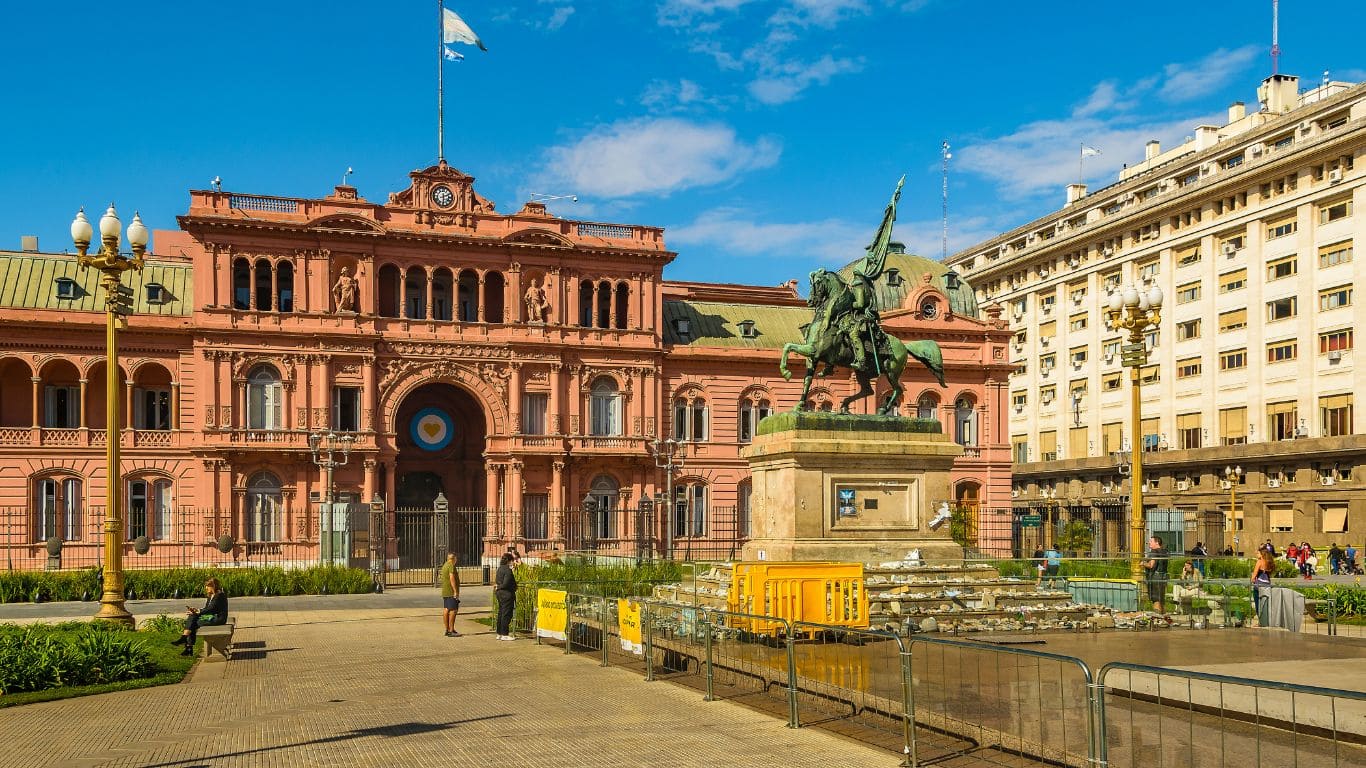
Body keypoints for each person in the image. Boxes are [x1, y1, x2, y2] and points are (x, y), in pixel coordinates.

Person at [171, 577, 228, 656]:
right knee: (193, 617)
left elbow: (212, 609)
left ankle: (187, 644)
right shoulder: (211, 595)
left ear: (213, 586)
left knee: (193, 622)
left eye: (208, 586)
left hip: (218, 618)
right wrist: (197, 610)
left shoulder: (219, 595)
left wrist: (199, 612)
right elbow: (207, 608)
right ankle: (187, 644)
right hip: (211, 617)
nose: (206, 588)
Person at [494, 551, 519, 641]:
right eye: (512, 560)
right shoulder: (508, 570)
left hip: (500, 594)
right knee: (506, 614)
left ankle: (499, 633)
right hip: (506, 594)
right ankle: (505, 634)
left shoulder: (500, 568)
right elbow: (506, 583)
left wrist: (498, 587)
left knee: (501, 613)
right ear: (509, 561)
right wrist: (499, 587)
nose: (513, 562)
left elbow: (498, 580)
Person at [1143, 535, 1169, 614]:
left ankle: (1157, 618)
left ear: (1157, 542)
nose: (1148, 543)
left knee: (1156, 599)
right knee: (1161, 599)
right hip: (1163, 577)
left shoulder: (1154, 551)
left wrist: (1143, 563)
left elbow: (1151, 565)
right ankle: (1164, 618)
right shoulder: (1165, 551)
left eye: (1151, 541)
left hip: (1155, 578)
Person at [1251, 548, 1275, 623]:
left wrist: (1252, 580)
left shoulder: (1259, 562)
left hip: (1258, 585)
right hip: (1267, 584)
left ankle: (1260, 622)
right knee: (1265, 604)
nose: (1256, 554)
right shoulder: (1269, 562)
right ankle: (1267, 621)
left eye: (1258, 553)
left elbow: (1254, 575)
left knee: (1258, 604)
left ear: (1262, 554)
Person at [439, 552, 461, 637]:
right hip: (451, 591)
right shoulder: (451, 565)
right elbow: (451, 578)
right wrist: (455, 591)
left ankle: (447, 629)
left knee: (446, 609)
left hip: (445, 591)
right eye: (456, 559)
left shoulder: (445, 565)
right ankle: (451, 630)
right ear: (453, 558)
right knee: (453, 610)